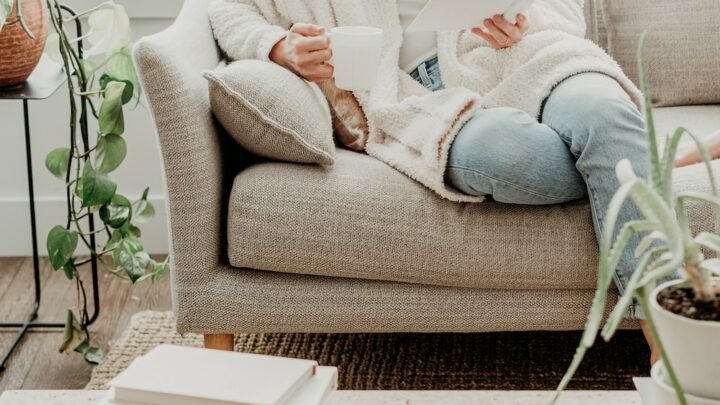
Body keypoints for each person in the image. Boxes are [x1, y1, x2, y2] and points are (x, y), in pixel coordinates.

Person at [209, 0, 716, 365]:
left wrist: (522, 18)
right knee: (520, 157)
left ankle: (668, 346)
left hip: (523, 58)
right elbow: (226, 9)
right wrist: (277, 46)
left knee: (605, 113)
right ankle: (639, 158)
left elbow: (563, 8)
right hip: (412, 96)